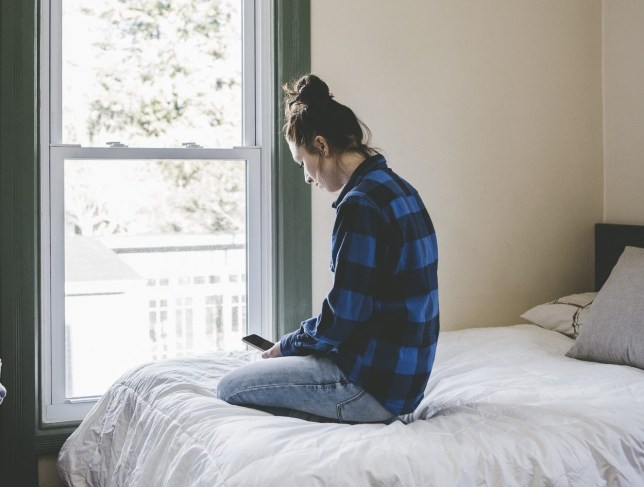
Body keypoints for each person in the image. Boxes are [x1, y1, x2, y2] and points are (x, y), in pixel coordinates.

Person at [217, 74, 439, 424]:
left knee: (231, 387)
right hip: (404, 383)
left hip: (372, 388)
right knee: (288, 363)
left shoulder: (360, 205)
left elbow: (342, 318)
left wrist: (286, 346)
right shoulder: (399, 188)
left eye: (302, 162)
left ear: (321, 146)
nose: (306, 177)